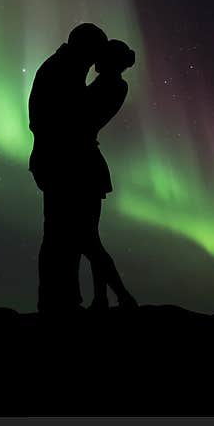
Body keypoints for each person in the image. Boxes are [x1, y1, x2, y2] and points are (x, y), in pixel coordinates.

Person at [28, 23, 108, 313]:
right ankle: (57, 301)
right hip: (61, 162)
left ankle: (60, 299)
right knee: (62, 234)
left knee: (63, 234)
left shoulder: (64, 67)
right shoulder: (64, 69)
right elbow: (62, 119)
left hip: (56, 160)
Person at [83, 40, 138, 310]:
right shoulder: (114, 84)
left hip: (84, 162)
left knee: (88, 240)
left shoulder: (112, 85)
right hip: (89, 162)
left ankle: (121, 296)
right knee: (91, 237)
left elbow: (81, 111)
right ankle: (103, 298)